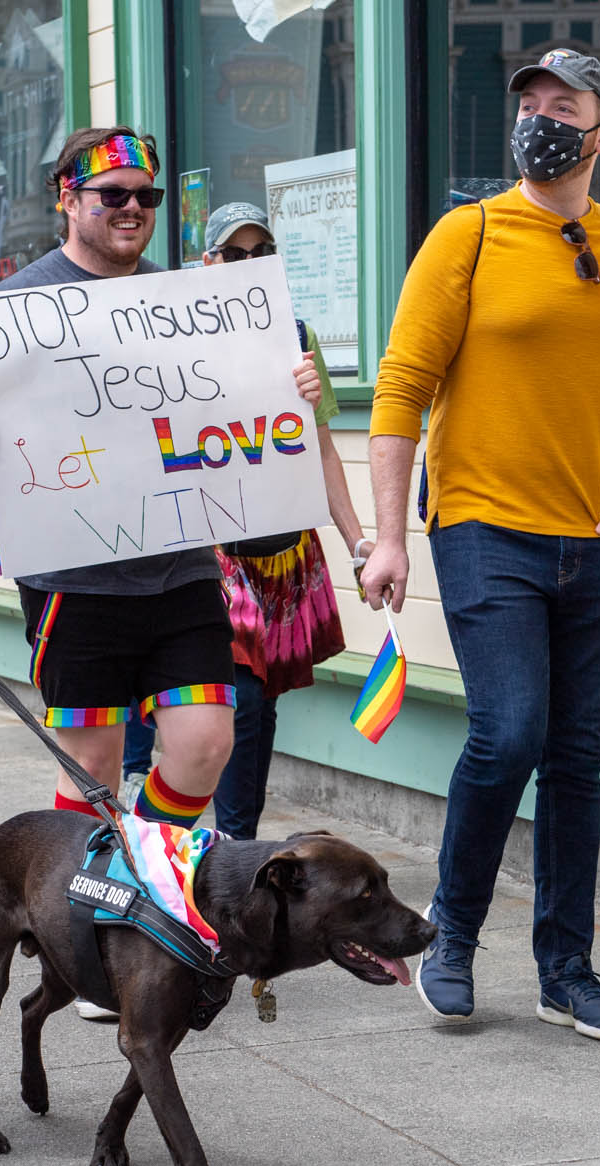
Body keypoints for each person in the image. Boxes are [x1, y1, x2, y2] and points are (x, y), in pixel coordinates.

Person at [362, 49, 600, 1042]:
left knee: (575, 758)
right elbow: (399, 390)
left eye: (564, 106)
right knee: (508, 732)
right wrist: (388, 535)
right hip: (482, 528)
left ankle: (566, 969)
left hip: (596, 545)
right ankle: (449, 934)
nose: (539, 119)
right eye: (529, 104)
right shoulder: (467, 234)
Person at [0, 127, 323, 838]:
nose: (133, 208)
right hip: (73, 576)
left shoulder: (186, 301)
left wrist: (293, 387)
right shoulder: (17, 304)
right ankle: (78, 914)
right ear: (67, 197)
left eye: (146, 196)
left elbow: (247, 406)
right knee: (94, 762)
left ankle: (135, 863)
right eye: (112, 194)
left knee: (206, 742)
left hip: (180, 564)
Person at [197, 201, 369, 840]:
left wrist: (359, 543)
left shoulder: (297, 336)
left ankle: (241, 841)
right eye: (234, 254)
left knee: (263, 705)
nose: (248, 266)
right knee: (240, 700)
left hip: (283, 551)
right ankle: (234, 843)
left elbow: (320, 448)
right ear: (208, 263)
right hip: (216, 550)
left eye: (260, 253)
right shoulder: (175, 336)